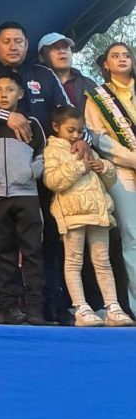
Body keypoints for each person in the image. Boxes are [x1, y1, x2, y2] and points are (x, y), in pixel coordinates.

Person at [0, 20, 90, 323]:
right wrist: (6, 116)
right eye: (6, 41)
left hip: (42, 172)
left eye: (18, 41)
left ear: (27, 44)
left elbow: (67, 113)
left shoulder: (43, 74)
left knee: (46, 241)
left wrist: (81, 139)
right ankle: (2, 303)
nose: (13, 46)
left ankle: (49, 305)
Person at [43, 105, 132, 327]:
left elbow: (109, 180)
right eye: (70, 130)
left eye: (80, 131)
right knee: (74, 262)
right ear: (55, 127)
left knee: (103, 262)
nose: (76, 135)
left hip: (98, 213)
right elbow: (52, 181)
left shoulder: (87, 148)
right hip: (72, 215)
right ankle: (80, 307)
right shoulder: (52, 150)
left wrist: (103, 167)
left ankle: (112, 307)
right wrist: (79, 166)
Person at [0, 71, 48, 325]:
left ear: (21, 93)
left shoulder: (31, 123)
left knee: (33, 251)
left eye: (10, 90)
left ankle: (35, 308)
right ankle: (8, 307)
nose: (4, 95)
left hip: (27, 196)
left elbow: (42, 154)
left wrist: (31, 173)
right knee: (2, 252)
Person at [84, 42, 136, 317]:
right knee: (132, 236)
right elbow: (99, 137)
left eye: (126, 55)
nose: (122, 59)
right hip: (123, 171)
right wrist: (131, 158)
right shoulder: (98, 97)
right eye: (115, 56)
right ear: (106, 64)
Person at [37, 33, 96, 112]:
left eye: (65, 47)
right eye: (55, 47)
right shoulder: (34, 84)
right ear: (42, 57)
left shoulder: (88, 84)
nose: (62, 51)